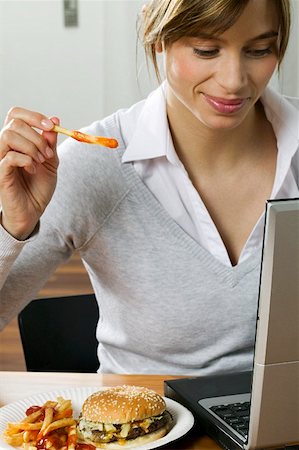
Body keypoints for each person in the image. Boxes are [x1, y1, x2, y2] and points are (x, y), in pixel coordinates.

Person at [0, 0, 298, 375]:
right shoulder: (93, 162)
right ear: (157, 36)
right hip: (147, 430)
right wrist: (13, 228)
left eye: (259, 50)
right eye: (206, 50)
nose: (234, 79)